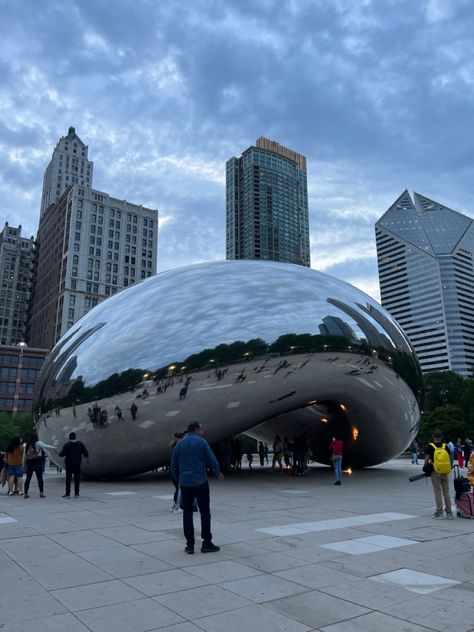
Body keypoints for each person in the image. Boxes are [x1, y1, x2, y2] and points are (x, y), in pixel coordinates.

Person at [171, 421, 223, 554]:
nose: (202, 431)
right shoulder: (202, 442)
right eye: (201, 429)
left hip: (186, 484)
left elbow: (174, 466)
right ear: (196, 429)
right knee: (205, 513)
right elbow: (211, 459)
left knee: (187, 514)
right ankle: (206, 543)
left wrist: (180, 479)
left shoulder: (179, 444)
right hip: (200, 482)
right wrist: (217, 472)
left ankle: (190, 545)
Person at [424, 429, 453, 519]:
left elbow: (426, 459)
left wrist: (426, 468)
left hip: (435, 471)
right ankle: (449, 512)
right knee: (446, 492)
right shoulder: (445, 446)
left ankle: (439, 512)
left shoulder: (430, 447)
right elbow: (449, 458)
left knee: (438, 492)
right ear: (441, 437)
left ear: (433, 437)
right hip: (445, 471)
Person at [23, 434, 56, 498]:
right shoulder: (38, 443)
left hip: (30, 462)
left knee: (28, 479)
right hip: (38, 461)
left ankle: (26, 493)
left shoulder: (28, 445)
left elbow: (25, 456)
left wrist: (24, 465)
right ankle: (41, 493)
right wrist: (53, 447)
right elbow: (45, 446)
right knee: (40, 479)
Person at [58, 432, 89, 498]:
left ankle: (67, 493)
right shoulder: (80, 444)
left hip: (69, 464)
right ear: (75, 437)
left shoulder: (67, 445)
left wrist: (57, 452)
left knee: (68, 479)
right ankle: (77, 493)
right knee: (77, 478)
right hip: (77, 463)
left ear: (69, 438)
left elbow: (61, 454)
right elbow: (85, 453)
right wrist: (87, 457)